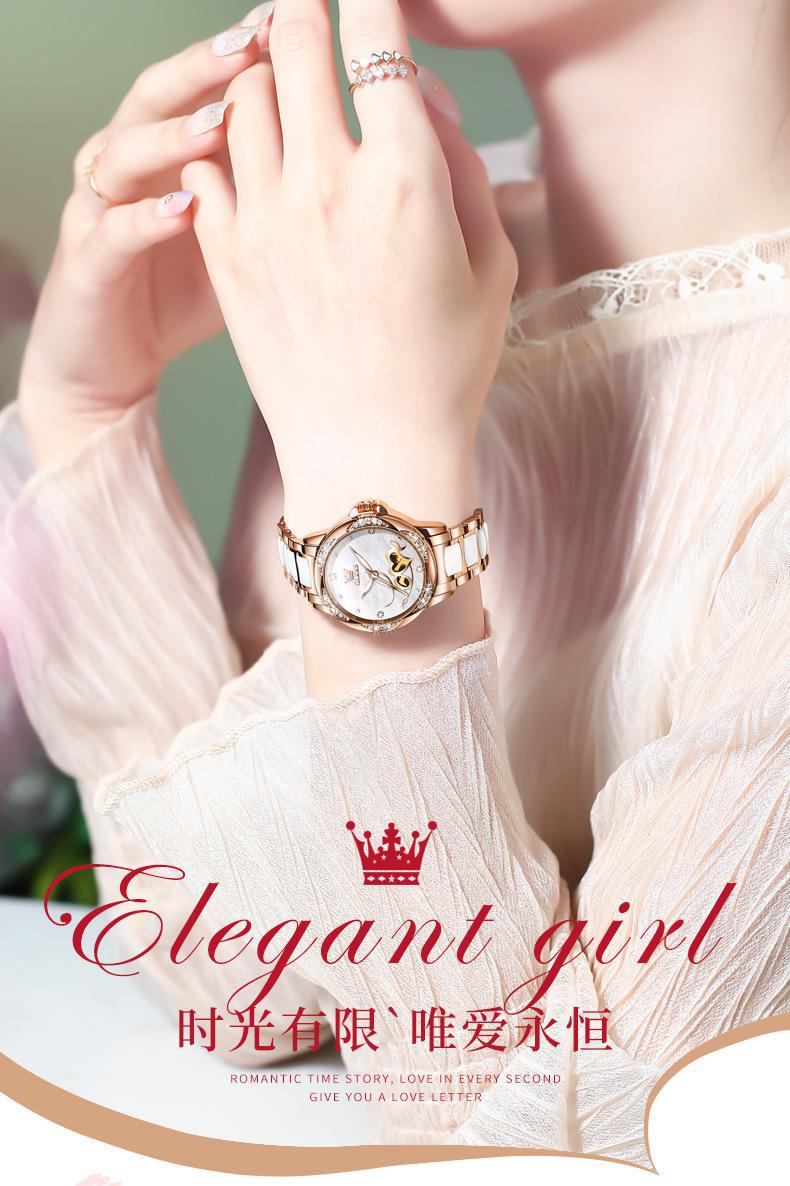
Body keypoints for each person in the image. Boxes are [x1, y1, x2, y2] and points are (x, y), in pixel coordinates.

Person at [1, 0, 787, 1161]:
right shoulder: (389, 246)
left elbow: (560, 1143)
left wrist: (379, 470)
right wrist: (87, 407)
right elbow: (236, 973)